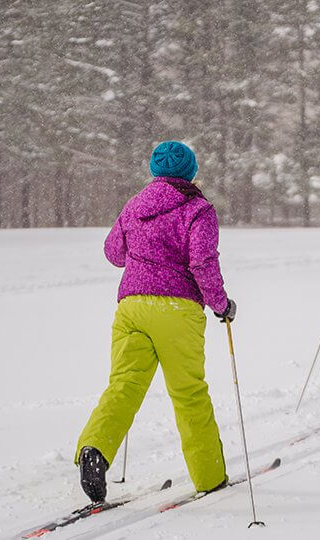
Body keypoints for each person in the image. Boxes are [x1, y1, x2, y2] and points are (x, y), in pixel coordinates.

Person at [74, 141, 236, 503]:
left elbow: (114, 253)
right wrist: (221, 304)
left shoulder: (135, 205)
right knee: (189, 393)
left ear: (154, 170)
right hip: (177, 311)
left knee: (124, 386)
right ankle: (210, 478)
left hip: (131, 307)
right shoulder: (198, 209)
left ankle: (95, 449)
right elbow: (203, 263)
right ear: (191, 172)